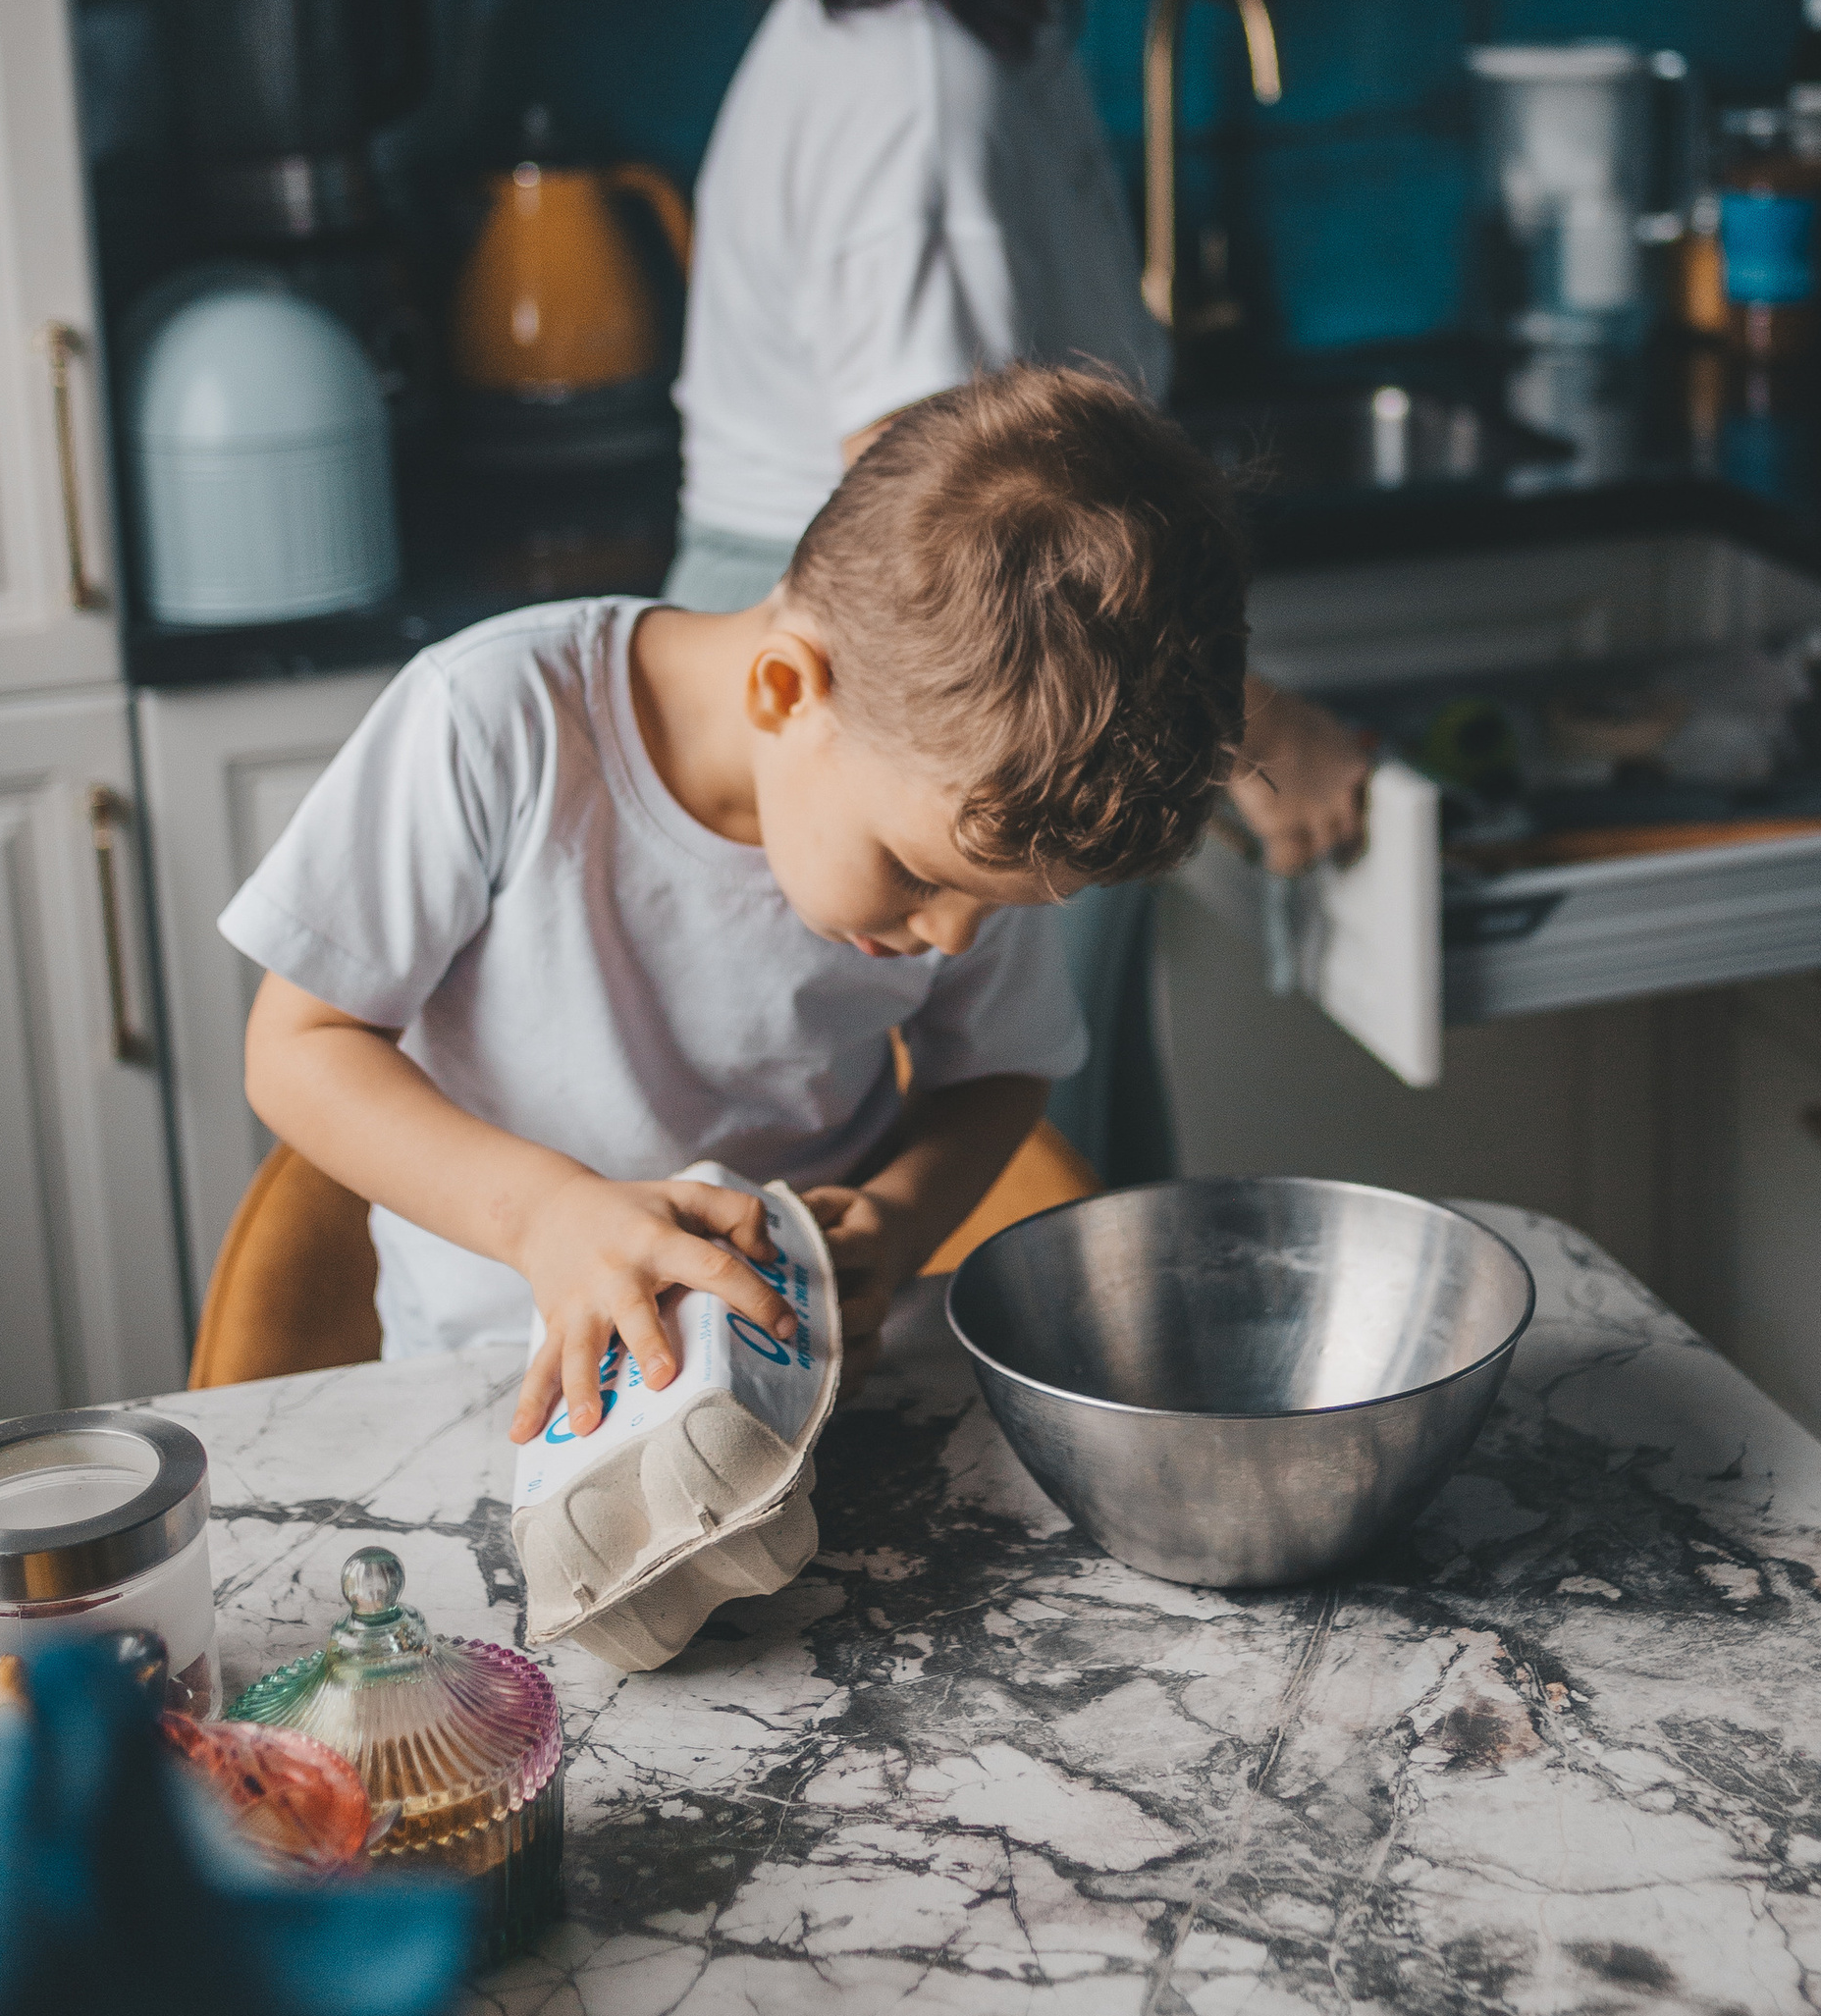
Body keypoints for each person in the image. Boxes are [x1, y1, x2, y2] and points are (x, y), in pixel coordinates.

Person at [668, 0, 1371, 1181]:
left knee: (1052, 1178)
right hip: (916, 736)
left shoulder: (965, 8)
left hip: (969, 718)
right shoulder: (917, 94)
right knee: (980, 1220)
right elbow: (968, 566)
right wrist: (1258, 727)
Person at [227, 367, 1247, 1431]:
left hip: (803, 1391)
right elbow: (300, 1047)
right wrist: (545, 1217)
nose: (949, 935)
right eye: (919, 877)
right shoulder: (495, 722)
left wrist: (900, 1223)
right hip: (499, 1389)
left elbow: (996, 1069)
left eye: (993, 908)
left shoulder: (968, 818)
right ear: (785, 691)